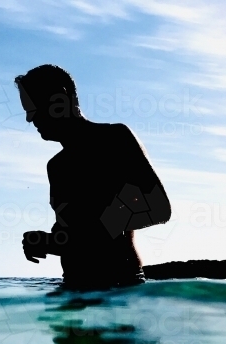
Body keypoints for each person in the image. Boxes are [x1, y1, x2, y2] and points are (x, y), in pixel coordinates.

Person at [16, 65, 171, 290]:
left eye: (33, 108)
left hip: (120, 285)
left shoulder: (115, 140)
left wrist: (82, 234)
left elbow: (159, 207)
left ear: (59, 99)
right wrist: (46, 242)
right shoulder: (56, 167)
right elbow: (74, 234)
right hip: (72, 287)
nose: (30, 119)